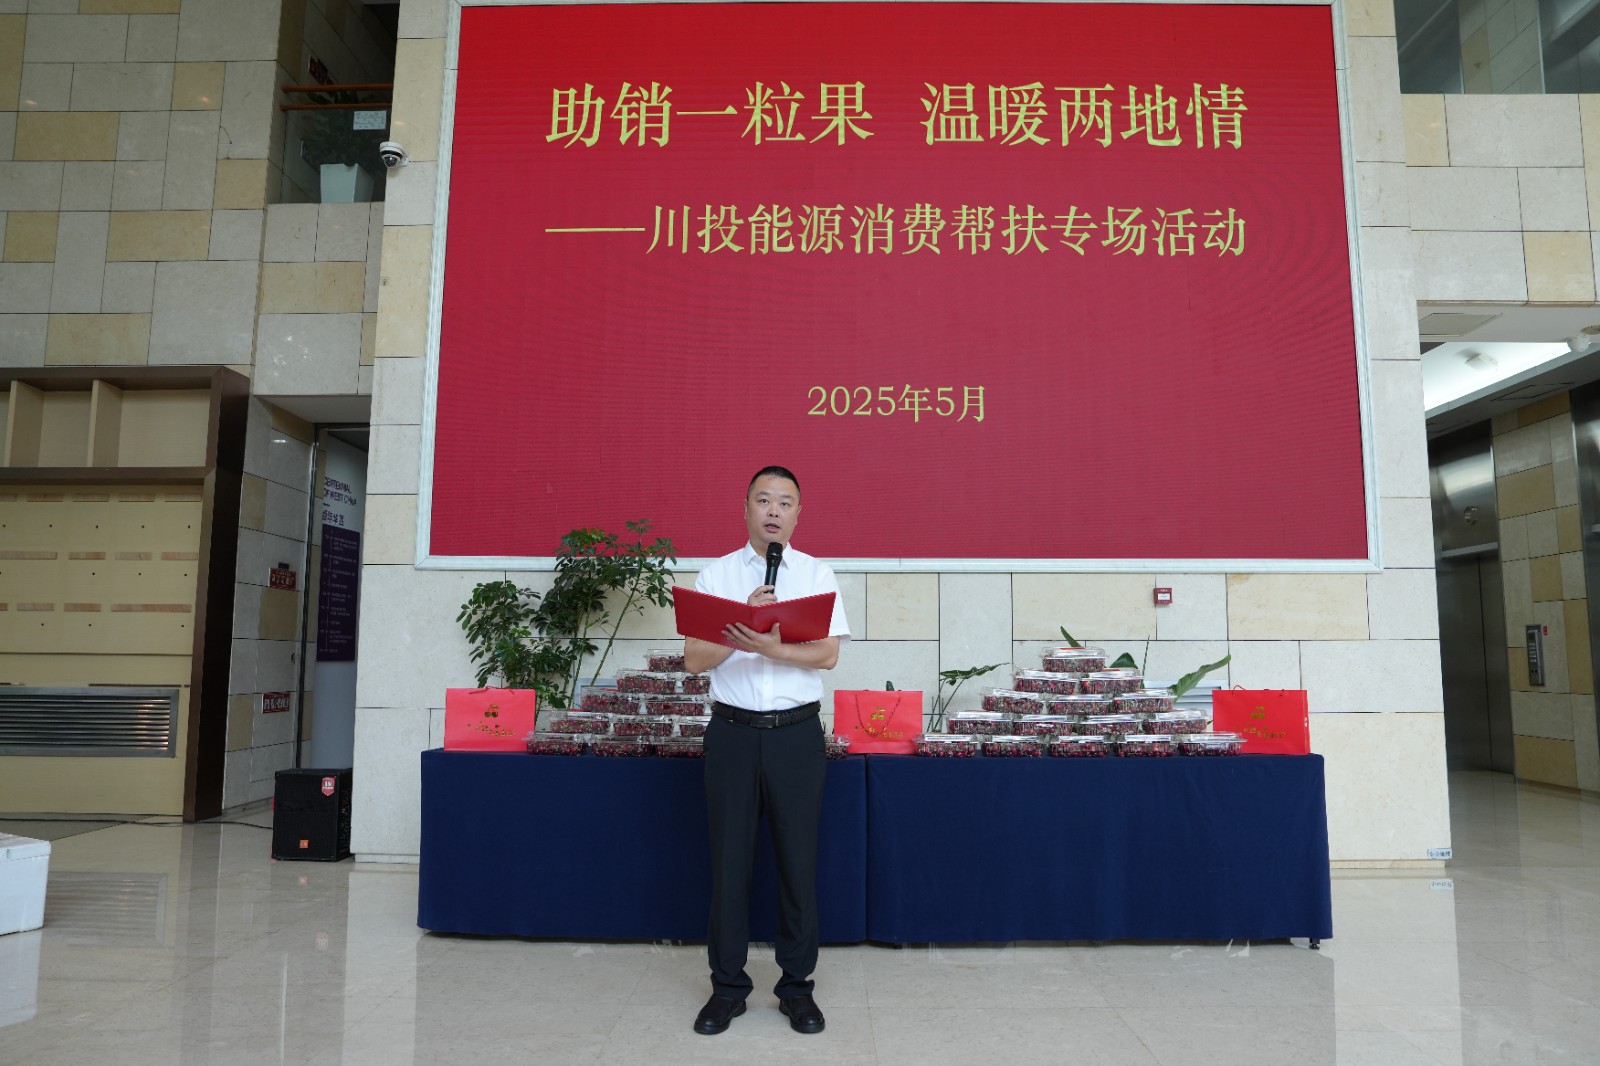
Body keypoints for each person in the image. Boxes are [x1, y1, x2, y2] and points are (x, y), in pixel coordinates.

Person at [684, 466, 849, 1036]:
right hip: (732, 734)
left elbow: (828, 655)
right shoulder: (717, 574)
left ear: (799, 513)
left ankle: (796, 989)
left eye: (785, 502)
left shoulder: (816, 573)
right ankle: (727, 989)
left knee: (798, 864)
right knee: (729, 864)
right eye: (763, 500)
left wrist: (774, 647)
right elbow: (694, 660)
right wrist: (739, 624)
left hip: (795, 736)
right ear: (746, 508)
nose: (773, 510)